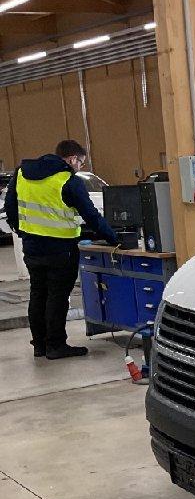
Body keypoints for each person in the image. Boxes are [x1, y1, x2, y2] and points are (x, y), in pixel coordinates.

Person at [4, 139, 119, 359]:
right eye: (81, 163)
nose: (79, 167)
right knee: (57, 298)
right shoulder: (68, 180)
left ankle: (40, 345)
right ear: (72, 159)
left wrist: (23, 232)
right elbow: (91, 215)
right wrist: (113, 238)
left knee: (38, 294)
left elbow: (10, 207)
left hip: (32, 247)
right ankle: (56, 345)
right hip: (61, 250)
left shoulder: (21, 174)